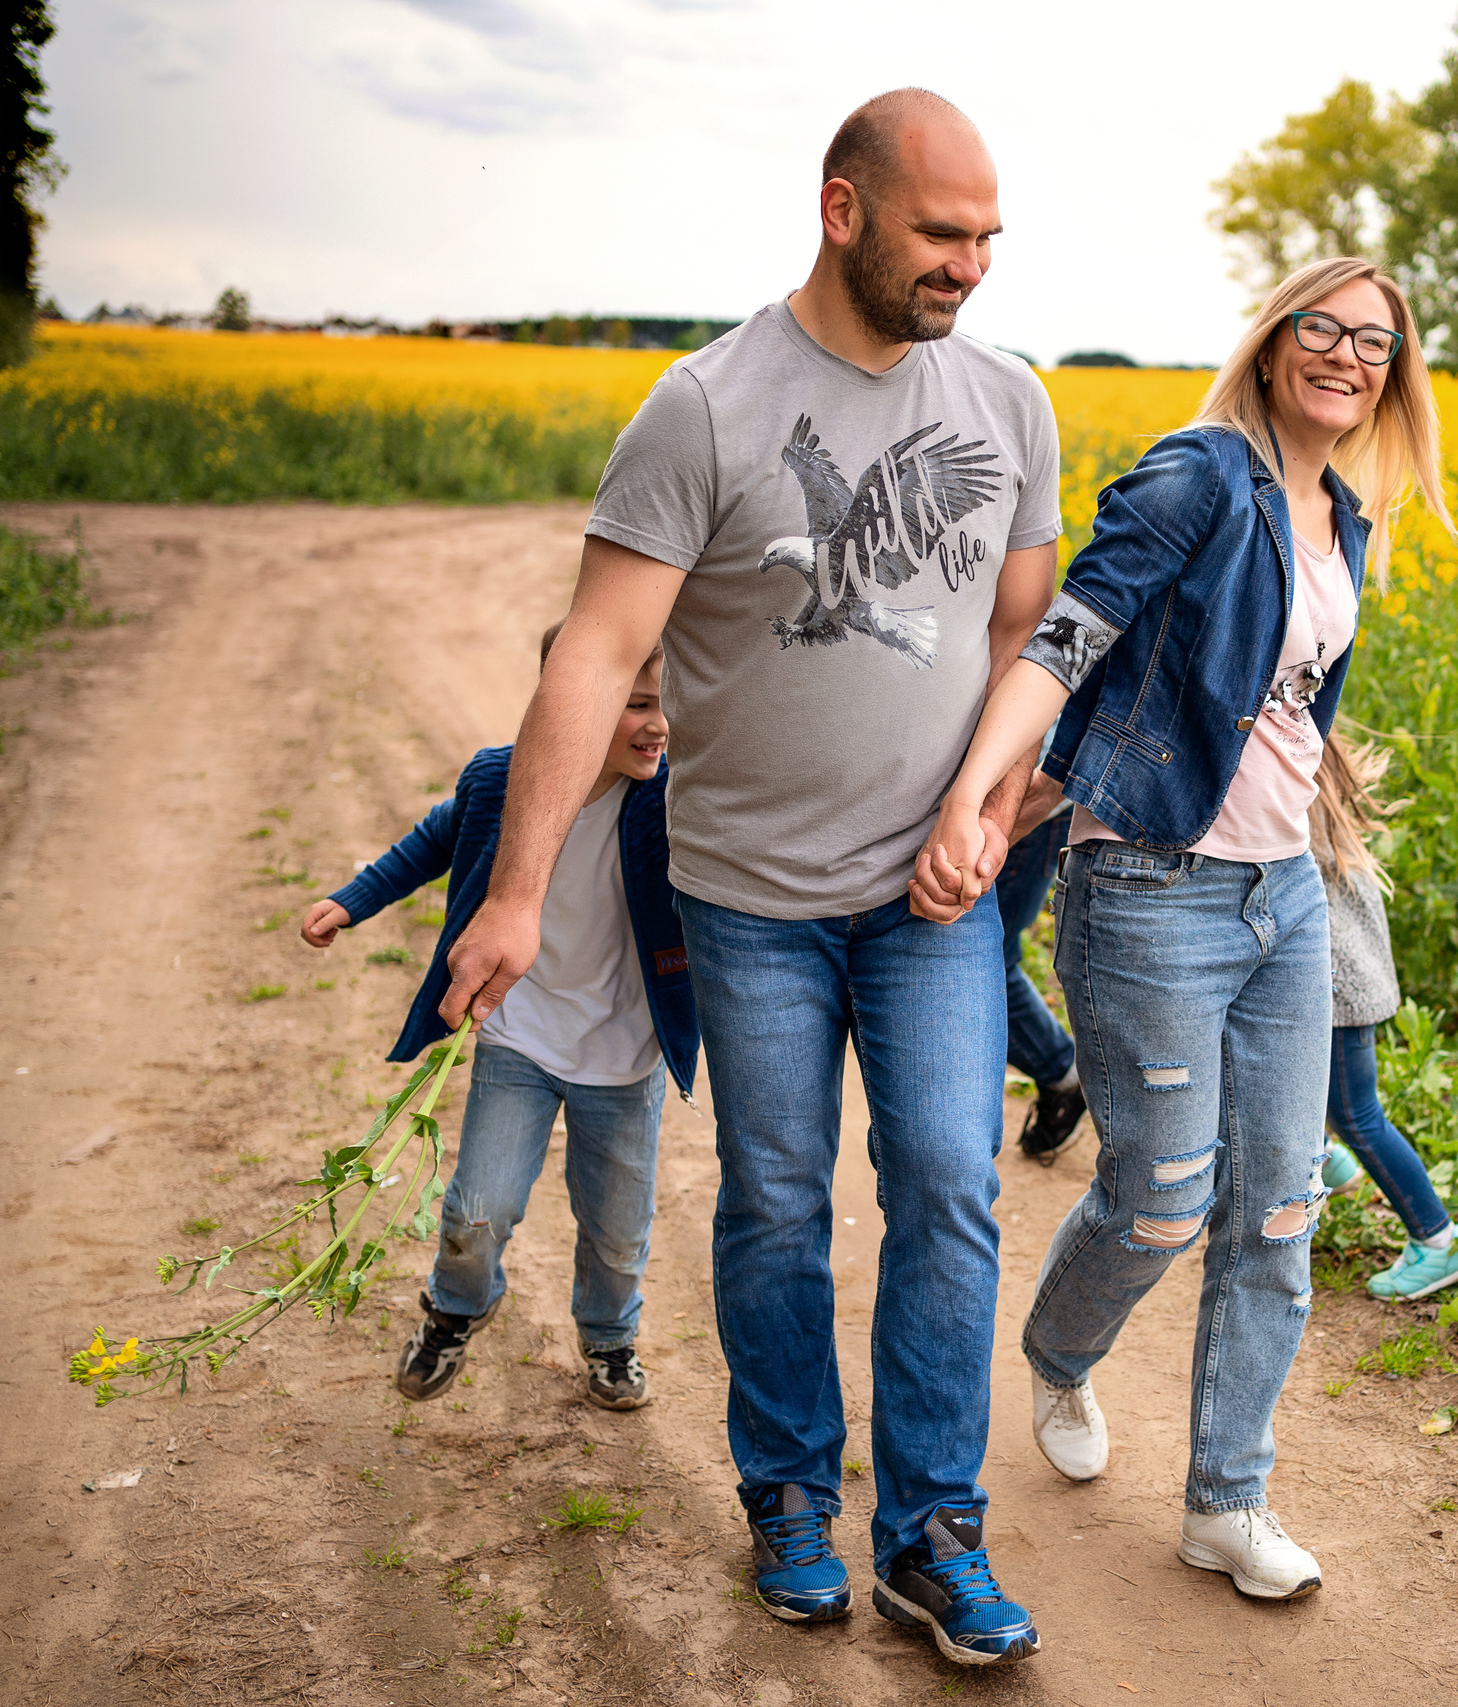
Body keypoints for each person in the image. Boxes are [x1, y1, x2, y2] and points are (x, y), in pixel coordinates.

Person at [436, 90, 1058, 1667]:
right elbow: (595, 651)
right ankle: (789, 1493)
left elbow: (1020, 643)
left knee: (948, 1179)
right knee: (778, 1196)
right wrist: (513, 892)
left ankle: (931, 1528)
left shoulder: (1012, 403)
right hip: (748, 897)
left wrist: (986, 812)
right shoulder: (706, 405)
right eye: (940, 233)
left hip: (931, 899)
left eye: (988, 238)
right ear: (843, 209)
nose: (969, 267)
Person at [911, 256, 1454, 1602]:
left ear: (1395, 372)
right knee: (1159, 1200)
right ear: (1275, 343)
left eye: (1373, 342)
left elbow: (1287, 703)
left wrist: (1324, 823)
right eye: (1320, 328)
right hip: (1148, 891)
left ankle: (1228, 1498)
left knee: (1278, 1206)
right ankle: (1057, 1352)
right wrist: (983, 797)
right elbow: (1065, 638)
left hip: (1284, 901)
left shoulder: (1346, 516)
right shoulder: (1197, 474)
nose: (1345, 355)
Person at [297, 625, 698, 1412]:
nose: (658, 725)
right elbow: (427, 846)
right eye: (639, 703)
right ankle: (453, 1310)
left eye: (669, 705)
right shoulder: (501, 779)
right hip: (519, 1037)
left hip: (623, 1056)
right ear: (569, 703)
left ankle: (611, 1336)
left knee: (617, 1228)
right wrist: (351, 901)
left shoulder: (673, 798)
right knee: (477, 1207)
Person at [1309, 727, 1458, 1300]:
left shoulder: (1295, 816)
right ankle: (1322, 1159)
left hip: (1338, 993)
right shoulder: (1317, 801)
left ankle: (1439, 1240)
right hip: (1341, 988)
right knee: (1296, 1093)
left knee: (1358, 1116)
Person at [1000, 765, 1086, 1164]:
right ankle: (1060, 1071)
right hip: (1024, 793)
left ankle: (1060, 1071)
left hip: (1026, 795)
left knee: (987, 962)